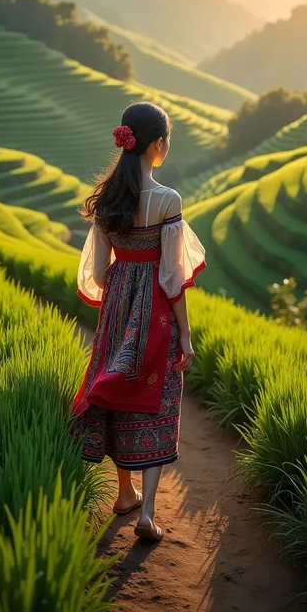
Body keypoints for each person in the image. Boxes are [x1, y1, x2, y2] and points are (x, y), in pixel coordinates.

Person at [71, 101, 206, 541]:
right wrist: (185, 333)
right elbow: (172, 277)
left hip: (116, 312)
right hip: (157, 317)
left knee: (115, 391)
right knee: (156, 401)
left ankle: (123, 491)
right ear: (158, 144)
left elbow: (95, 273)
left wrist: (125, 280)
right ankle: (147, 511)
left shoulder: (108, 200)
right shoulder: (168, 200)